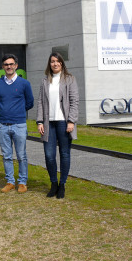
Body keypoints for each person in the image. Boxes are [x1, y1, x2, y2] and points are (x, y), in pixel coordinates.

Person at [36, 52, 79, 199]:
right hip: (49, 123)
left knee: (64, 154)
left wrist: (71, 121)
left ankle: (62, 184)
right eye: (52, 61)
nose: (55, 64)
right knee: (49, 155)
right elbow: (41, 102)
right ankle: (53, 183)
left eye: (57, 61)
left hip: (64, 123)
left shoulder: (69, 79)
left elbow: (74, 101)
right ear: (49, 64)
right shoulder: (45, 81)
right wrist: (40, 121)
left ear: (62, 63)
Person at [0, 53, 34, 193]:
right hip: (3, 125)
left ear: (16, 66)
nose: (9, 66)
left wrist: (17, 111)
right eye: (6, 64)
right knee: (6, 155)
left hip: (19, 124)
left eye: (11, 64)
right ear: (3, 66)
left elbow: (30, 102)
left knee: (21, 155)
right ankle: (10, 181)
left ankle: (22, 182)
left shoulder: (24, 83)